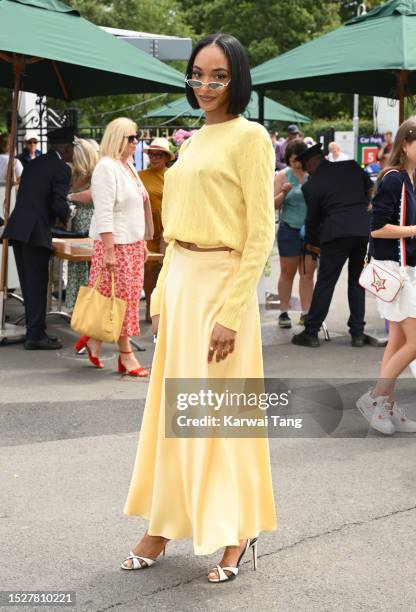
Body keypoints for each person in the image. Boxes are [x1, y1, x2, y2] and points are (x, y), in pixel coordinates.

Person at [122, 33, 277, 583]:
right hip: (183, 285)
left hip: (223, 287)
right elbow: (176, 231)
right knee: (173, 415)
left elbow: (260, 233)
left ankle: (236, 532)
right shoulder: (192, 142)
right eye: (198, 73)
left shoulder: (251, 137)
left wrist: (234, 312)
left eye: (218, 75)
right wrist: (161, 296)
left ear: (237, 78)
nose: (206, 84)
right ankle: (163, 523)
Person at [74, 117, 153, 375]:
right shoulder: (106, 167)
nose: (136, 142)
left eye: (136, 137)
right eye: (132, 137)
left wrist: (142, 242)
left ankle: (94, 338)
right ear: (118, 138)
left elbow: (136, 207)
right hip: (115, 245)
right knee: (120, 301)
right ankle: (125, 354)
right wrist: (108, 250)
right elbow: (105, 211)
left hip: (131, 244)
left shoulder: (127, 165)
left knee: (124, 300)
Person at [356, 118, 416, 435]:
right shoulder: (394, 179)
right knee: (412, 341)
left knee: (398, 340)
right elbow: (377, 227)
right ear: (405, 144)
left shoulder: (408, 178)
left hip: (402, 270)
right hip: (395, 270)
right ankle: (375, 397)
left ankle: (386, 406)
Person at [292, 143, 372, 348]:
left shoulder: (312, 185)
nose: (307, 171)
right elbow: (369, 189)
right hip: (363, 231)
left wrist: (311, 244)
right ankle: (358, 334)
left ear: (311, 163)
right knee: (357, 282)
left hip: (336, 233)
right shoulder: (352, 166)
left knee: (326, 282)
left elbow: (313, 219)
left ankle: (311, 332)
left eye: (306, 167)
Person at [3, 127, 73, 349]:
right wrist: (70, 213)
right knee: (37, 284)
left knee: (28, 284)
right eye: (73, 149)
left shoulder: (33, 164)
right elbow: (58, 203)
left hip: (19, 229)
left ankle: (36, 331)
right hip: (35, 231)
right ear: (66, 148)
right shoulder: (61, 168)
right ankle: (36, 336)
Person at [274, 140, 317, 328]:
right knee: (287, 272)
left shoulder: (313, 175)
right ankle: (283, 312)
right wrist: (283, 193)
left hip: (310, 230)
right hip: (289, 228)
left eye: (299, 160)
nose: (296, 164)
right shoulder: (283, 175)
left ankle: (306, 313)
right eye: (292, 160)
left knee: (308, 272)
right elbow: (273, 204)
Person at [139, 137, 174, 322]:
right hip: (146, 228)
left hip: (167, 226)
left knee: (166, 268)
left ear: (166, 157)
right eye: (152, 154)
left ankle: (162, 310)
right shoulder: (139, 176)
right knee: (148, 269)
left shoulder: (173, 174)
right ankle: (150, 310)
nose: (154, 157)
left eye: (159, 154)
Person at [65, 138, 99, 312]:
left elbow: (92, 195)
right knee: (78, 264)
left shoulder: (96, 173)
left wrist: (70, 197)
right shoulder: (75, 172)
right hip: (77, 224)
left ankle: (89, 307)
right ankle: (79, 306)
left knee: (91, 265)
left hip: (90, 224)